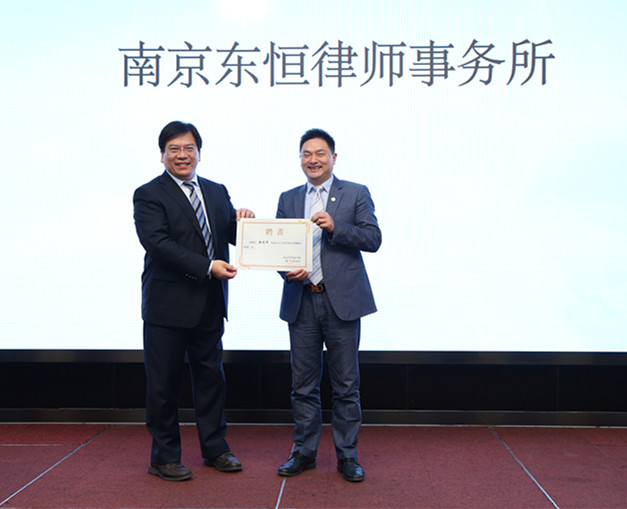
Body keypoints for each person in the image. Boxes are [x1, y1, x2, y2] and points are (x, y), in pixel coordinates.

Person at [133, 121, 254, 482]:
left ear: (199, 152)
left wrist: (244, 223)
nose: (182, 155)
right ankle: (164, 457)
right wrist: (207, 267)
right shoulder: (148, 194)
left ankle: (216, 449)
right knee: (163, 386)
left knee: (211, 381)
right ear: (162, 155)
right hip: (167, 306)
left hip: (209, 304)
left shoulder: (216, 191)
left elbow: (230, 234)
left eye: (189, 148)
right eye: (174, 149)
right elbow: (158, 244)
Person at [275, 128, 381, 482]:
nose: (313, 160)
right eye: (306, 154)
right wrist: (286, 270)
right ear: (300, 159)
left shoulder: (356, 193)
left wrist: (336, 226)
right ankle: (303, 453)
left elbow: (373, 238)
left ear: (333, 158)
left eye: (320, 153)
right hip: (302, 300)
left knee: (345, 385)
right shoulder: (289, 198)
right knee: (303, 386)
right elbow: (279, 249)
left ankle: (347, 456)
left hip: (342, 302)